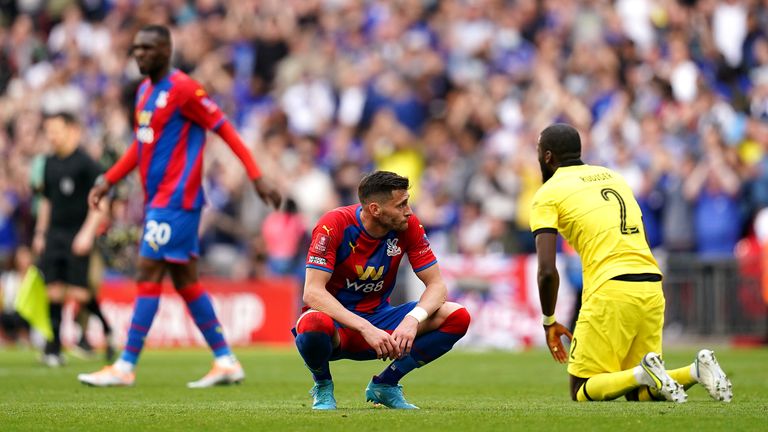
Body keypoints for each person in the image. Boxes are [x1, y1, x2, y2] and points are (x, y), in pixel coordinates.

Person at [77, 25, 281, 388]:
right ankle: (225, 360)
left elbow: (225, 129)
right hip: (159, 201)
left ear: (166, 51)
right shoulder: (143, 91)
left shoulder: (184, 88)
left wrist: (256, 175)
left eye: (147, 48)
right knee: (186, 282)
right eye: (136, 48)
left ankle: (125, 366)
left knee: (147, 271)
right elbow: (140, 148)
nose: (139, 54)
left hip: (178, 200)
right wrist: (108, 180)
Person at [530, 123, 733, 403]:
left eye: (539, 152)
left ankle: (642, 372)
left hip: (611, 288)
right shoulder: (613, 176)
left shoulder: (548, 193)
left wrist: (549, 320)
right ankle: (697, 370)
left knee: (580, 388)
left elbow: (547, 271)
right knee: (641, 395)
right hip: (650, 282)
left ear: (548, 157)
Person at [294, 171, 470, 410]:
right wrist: (365, 328)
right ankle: (323, 385)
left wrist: (412, 319)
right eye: (401, 205)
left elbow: (437, 286)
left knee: (457, 316)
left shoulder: (408, 226)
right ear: (375, 209)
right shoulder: (333, 224)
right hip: (336, 327)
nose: (408, 210)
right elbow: (312, 293)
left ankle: (386, 384)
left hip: (382, 322)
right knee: (312, 323)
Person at [33, 111, 110, 367]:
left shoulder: (86, 164)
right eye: (48, 131)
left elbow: (102, 201)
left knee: (79, 293)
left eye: (56, 130)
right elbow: (46, 201)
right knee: (53, 290)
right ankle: (53, 348)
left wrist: (88, 233)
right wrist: (40, 233)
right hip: (54, 234)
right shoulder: (49, 163)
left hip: (78, 234)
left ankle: (107, 329)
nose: (51, 136)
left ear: (71, 130)